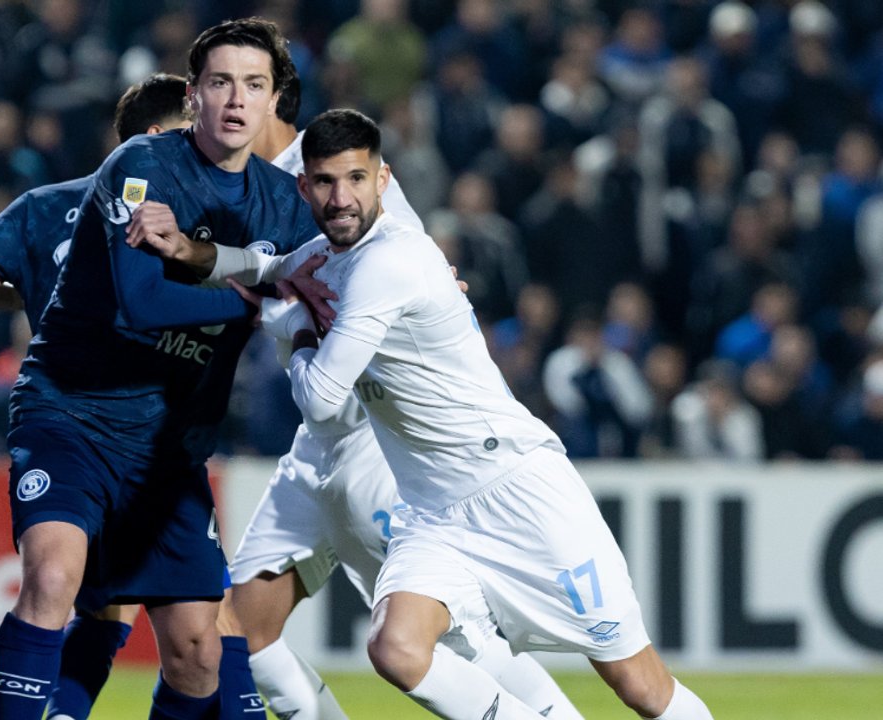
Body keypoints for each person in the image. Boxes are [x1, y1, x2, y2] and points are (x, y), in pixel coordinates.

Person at [238, 109, 712, 719]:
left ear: (384, 181)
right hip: (435, 514)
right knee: (397, 647)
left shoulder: (391, 260)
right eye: (326, 183)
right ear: (306, 189)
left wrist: (299, 328)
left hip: (517, 489)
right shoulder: (327, 259)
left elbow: (322, 393)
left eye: (355, 179)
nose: (340, 197)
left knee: (640, 684)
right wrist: (190, 250)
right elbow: (262, 269)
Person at [137, 80, 581, 719]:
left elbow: (399, 267)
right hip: (314, 449)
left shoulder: (332, 176)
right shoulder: (228, 191)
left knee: (448, 640)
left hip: (378, 445)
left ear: (271, 101)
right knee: (242, 632)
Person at [0, 20, 319, 720]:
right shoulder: (142, 164)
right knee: (54, 577)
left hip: (170, 448)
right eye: (220, 83)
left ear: (274, 105)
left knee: (197, 655)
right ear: (193, 94)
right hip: (72, 414)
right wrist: (250, 301)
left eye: (254, 85)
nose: (236, 100)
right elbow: (140, 304)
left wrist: (420, 273)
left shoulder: (283, 203)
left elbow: (335, 274)